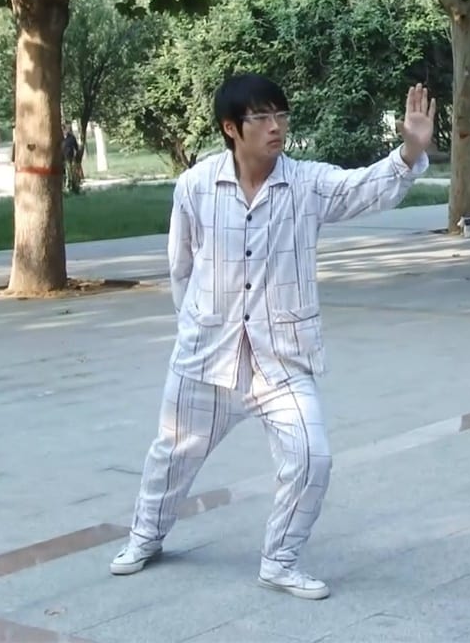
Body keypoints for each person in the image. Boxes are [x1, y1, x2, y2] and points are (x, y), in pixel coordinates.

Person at [110, 73, 435, 600]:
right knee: (171, 455)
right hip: (206, 356)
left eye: (281, 115)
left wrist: (409, 151)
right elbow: (181, 265)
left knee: (311, 457)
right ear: (231, 128)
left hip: (281, 358)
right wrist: (196, 324)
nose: (275, 126)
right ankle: (145, 537)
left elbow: (363, 188)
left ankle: (280, 561)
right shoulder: (196, 186)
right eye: (261, 117)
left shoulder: (305, 184)